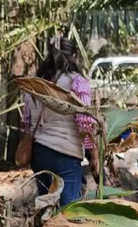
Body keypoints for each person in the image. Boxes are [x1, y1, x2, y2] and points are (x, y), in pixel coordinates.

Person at [21, 38, 98, 207]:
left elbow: (27, 122)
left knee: (47, 209)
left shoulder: (35, 83)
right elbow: (84, 123)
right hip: (66, 156)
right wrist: (93, 154)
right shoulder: (77, 82)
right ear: (75, 57)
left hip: (39, 153)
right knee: (66, 214)